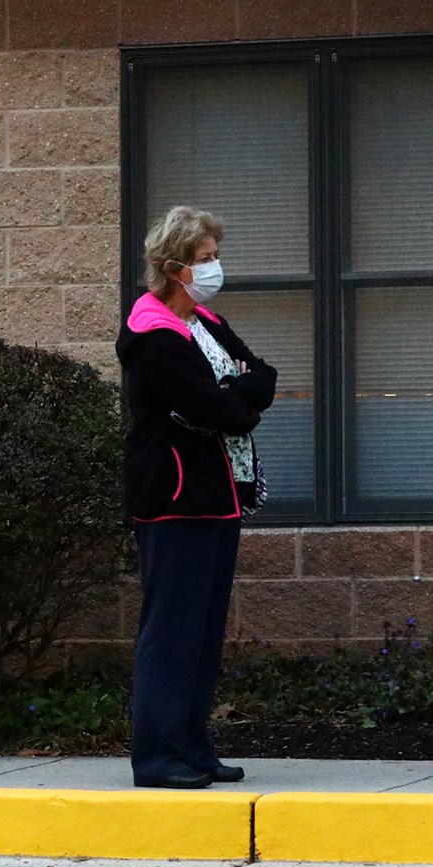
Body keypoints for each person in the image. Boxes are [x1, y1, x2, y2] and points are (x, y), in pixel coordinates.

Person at [117, 205, 277, 788]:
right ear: (172, 266)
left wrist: (235, 386)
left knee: (205, 631)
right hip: (175, 497)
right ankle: (157, 758)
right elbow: (224, 411)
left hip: (219, 496)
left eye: (215, 256)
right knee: (172, 630)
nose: (215, 267)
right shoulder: (151, 334)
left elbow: (264, 378)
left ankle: (194, 747)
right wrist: (233, 393)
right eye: (205, 259)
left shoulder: (205, 322)